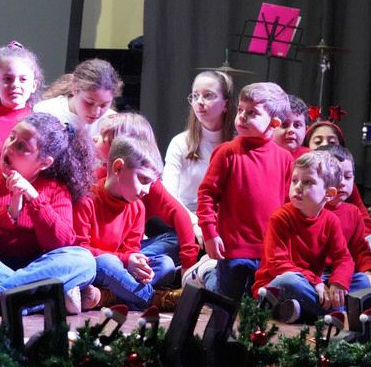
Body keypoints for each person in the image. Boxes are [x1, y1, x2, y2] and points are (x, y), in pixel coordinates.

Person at [187, 82, 293, 300]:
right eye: (241, 110)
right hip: (234, 246)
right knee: (227, 299)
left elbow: (287, 205)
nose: (242, 117)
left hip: (268, 249)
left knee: (257, 299)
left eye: (252, 112)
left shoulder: (284, 158)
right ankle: (206, 273)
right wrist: (209, 233)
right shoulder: (227, 152)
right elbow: (207, 195)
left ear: (274, 123)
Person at [0, 113, 96, 314]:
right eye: (11, 137)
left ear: (44, 163)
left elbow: (62, 243)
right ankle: (43, 299)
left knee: (84, 260)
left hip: (38, 268)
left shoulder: (56, 189)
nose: (9, 147)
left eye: (22, 146)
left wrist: (34, 198)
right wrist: (8, 215)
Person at [253, 151, 369, 322]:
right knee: (289, 280)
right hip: (278, 282)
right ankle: (335, 312)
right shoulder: (280, 217)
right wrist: (316, 282)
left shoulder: (331, 220)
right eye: (294, 180)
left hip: (313, 284)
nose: (297, 187)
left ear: (329, 194)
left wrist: (338, 282)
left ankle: (302, 312)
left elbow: (344, 258)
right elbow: (277, 264)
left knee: (362, 281)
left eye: (308, 182)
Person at [94, 113, 199, 285]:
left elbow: (178, 214)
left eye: (103, 136)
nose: (95, 139)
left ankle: (123, 282)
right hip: (102, 256)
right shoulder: (94, 182)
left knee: (171, 248)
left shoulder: (149, 184)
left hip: (129, 252)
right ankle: (124, 283)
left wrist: (188, 264)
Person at [75, 136, 175, 310]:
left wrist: (137, 263)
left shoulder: (137, 207)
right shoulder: (87, 199)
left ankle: (108, 296)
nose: (147, 190)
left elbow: (132, 248)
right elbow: (80, 251)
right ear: (118, 168)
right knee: (107, 263)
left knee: (166, 264)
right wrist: (126, 259)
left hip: (120, 268)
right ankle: (153, 299)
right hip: (95, 266)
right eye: (143, 180)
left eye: (150, 184)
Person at [163, 71, 235, 217]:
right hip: (186, 217)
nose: (199, 102)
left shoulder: (237, 143)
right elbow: (168, 194)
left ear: (225, 104)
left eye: (208, 95)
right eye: (195, 96)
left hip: (223, 219)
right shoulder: (180, 142)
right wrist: (194, 222)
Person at [316, 145, 371, 285]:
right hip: (315, 274)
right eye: (335, 176)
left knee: (364, 281)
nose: (342, 183)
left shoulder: (353, 212)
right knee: (291, 281)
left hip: (343, 272)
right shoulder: (310, 209)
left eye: (348, 177)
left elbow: (360, 250)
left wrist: (368, 273)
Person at [302, 119, 371, 233]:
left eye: (332, 143)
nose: (325, 145)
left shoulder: (348, 186)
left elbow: (366, 226)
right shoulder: (301, 181)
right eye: (318, 142)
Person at [34, 58, 122, 139]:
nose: (96, 112)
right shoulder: (46, 112)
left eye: (104, 105)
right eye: (89, 103)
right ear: (75, 89)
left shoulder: (113, 123)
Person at [0, 41, 43, 158]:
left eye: (23, 79)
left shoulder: (41, 126)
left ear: (34, 85)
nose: (15, 85)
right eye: (7, 79)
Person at [274, 94, 310, 159]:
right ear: (272, 126)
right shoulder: (261, 155)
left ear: (306, 130)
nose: (291, 130)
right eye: (284, 124)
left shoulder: (310, 157)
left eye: (297, 125)